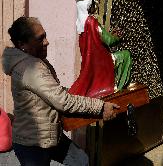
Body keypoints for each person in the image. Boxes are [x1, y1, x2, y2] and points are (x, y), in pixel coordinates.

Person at [1, 16, 120, 165]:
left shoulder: (36, 60)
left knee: (81, 161)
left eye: (45, 36)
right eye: (40, 38)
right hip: (32, 144)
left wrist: (76, 91)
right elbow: (63, 101)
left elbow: (53, 91)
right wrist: (100, 107)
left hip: (49, 136)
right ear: (22, 44)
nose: (46, 42)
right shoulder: (30, 68)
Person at [71, 0, 132, 98]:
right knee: (126, 55)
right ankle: (118, 88)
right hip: (101, 61)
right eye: (93, 3)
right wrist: (118, 37)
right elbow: (109, 41)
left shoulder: (80, 22)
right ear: (89, 5)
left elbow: (99, 37)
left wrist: (110, 34)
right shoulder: (91, 21)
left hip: (91, 61)